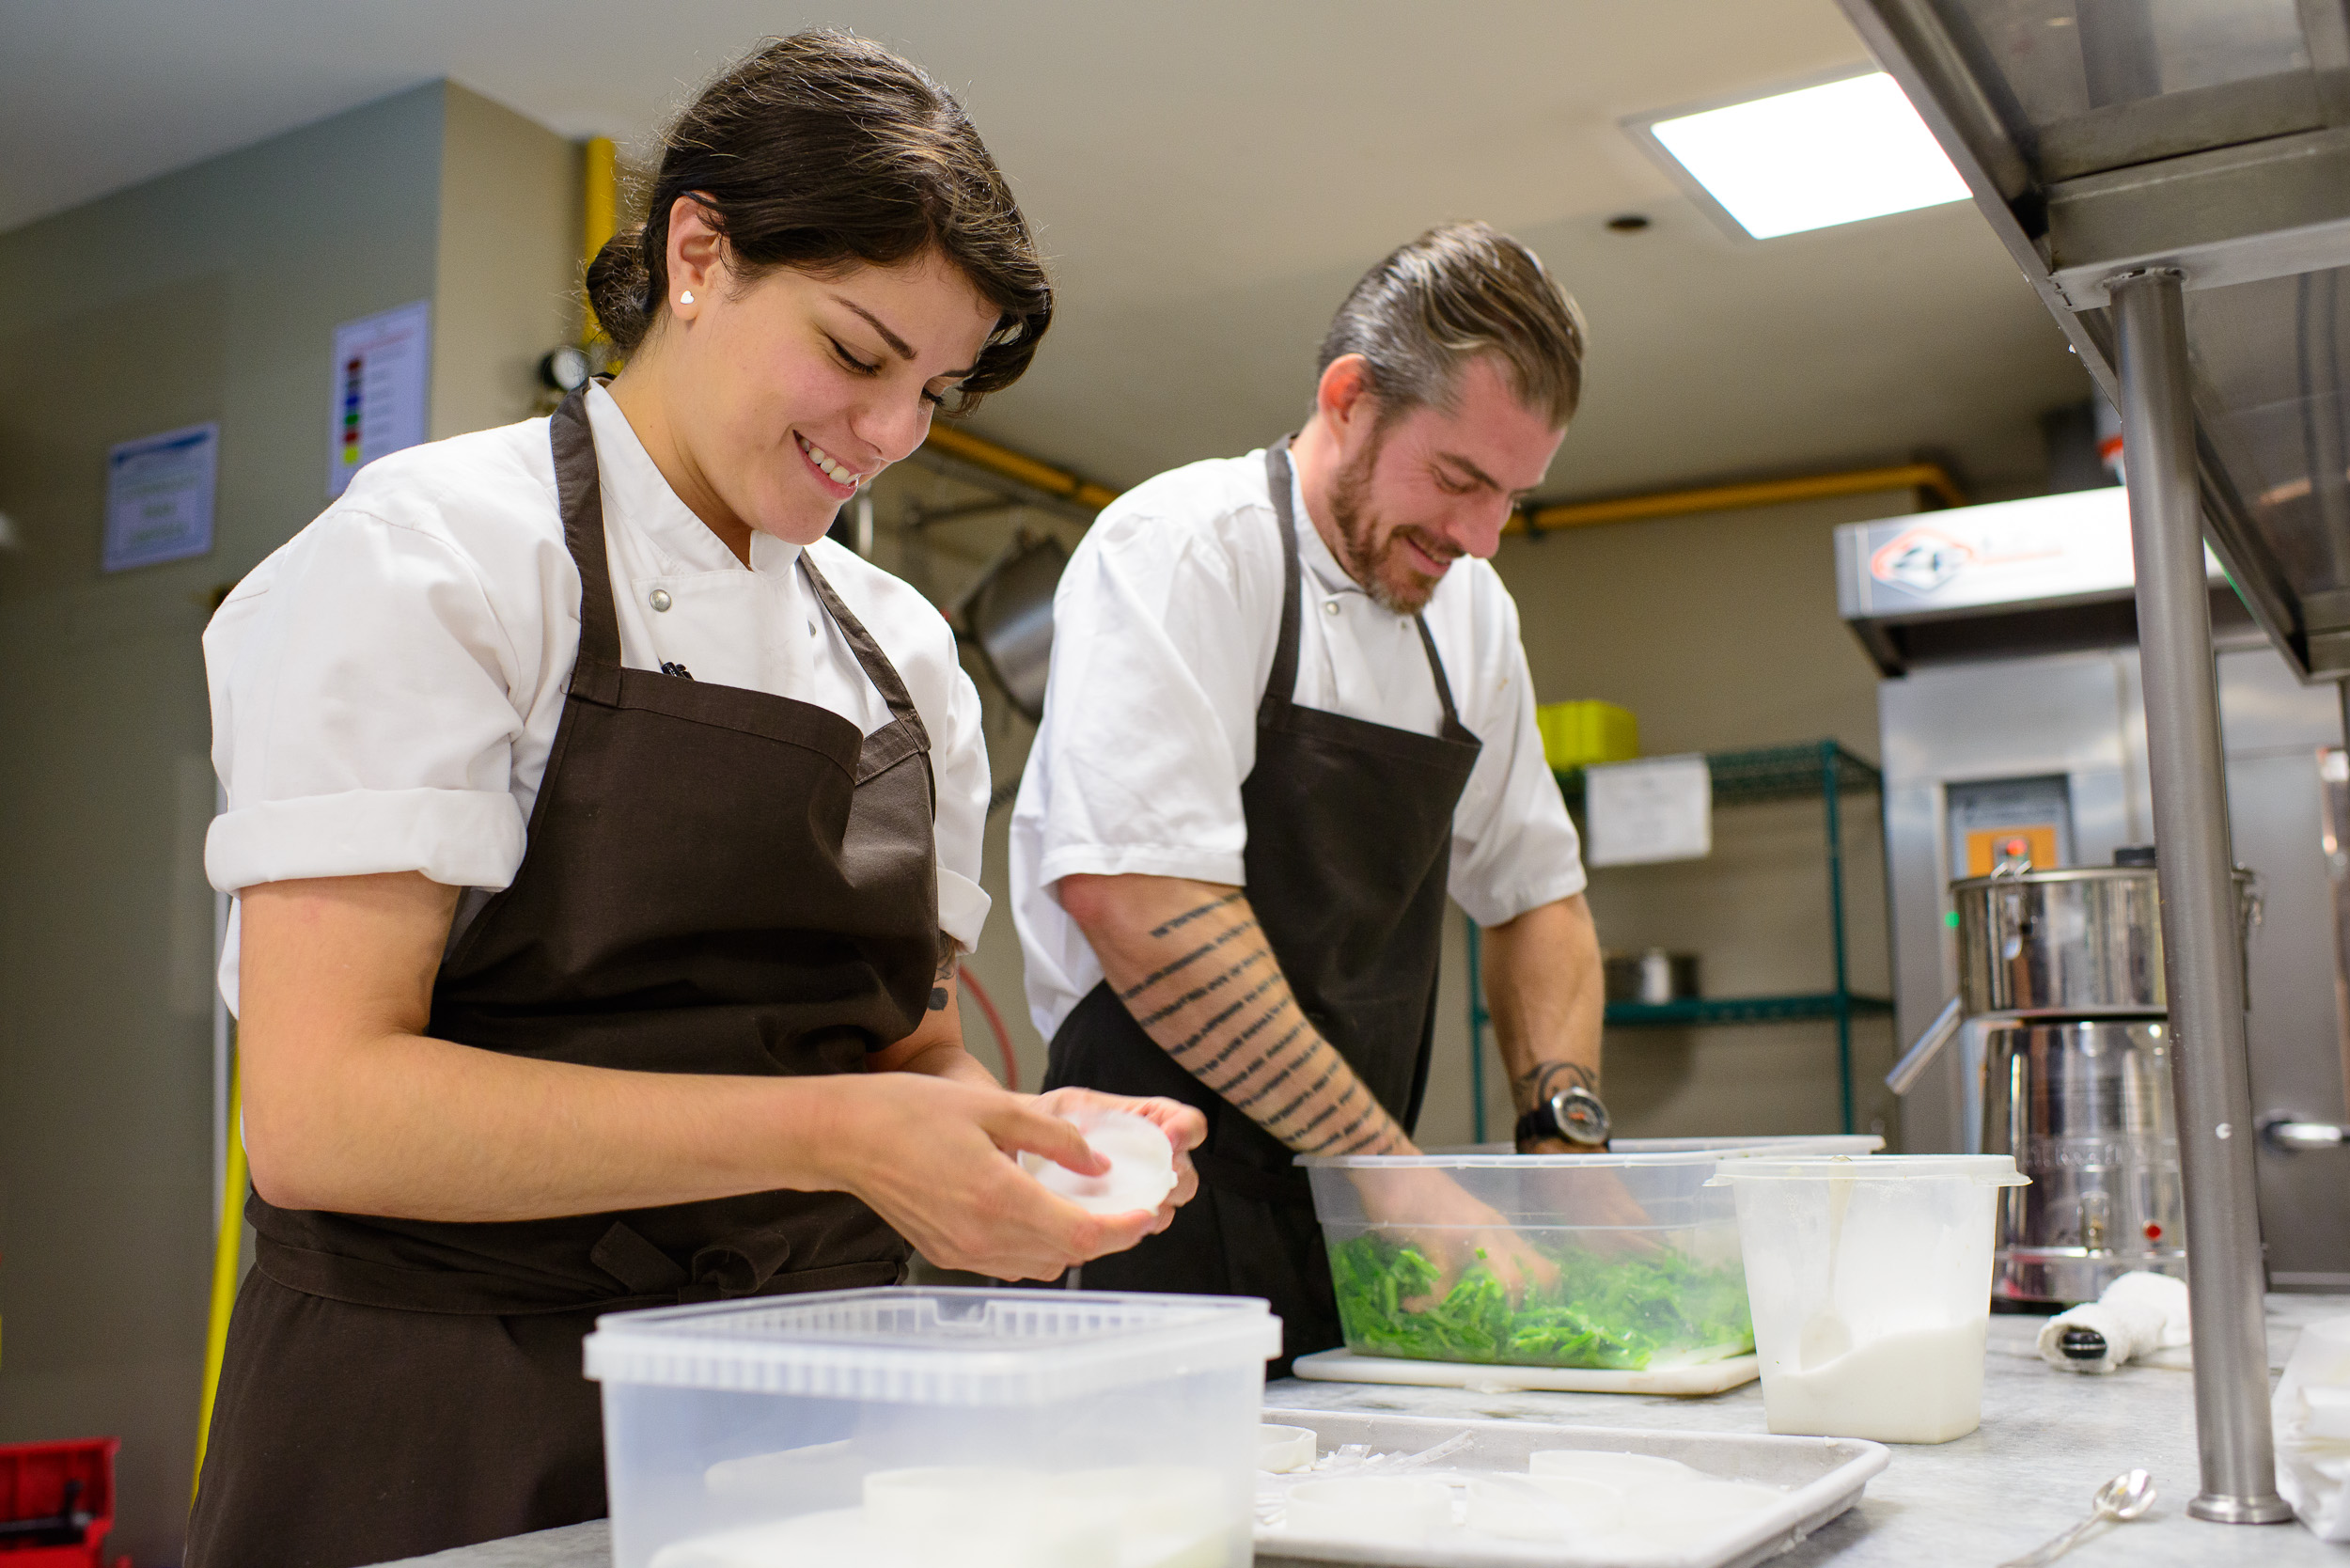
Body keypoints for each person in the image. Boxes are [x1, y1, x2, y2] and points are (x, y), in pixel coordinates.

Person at [188, 34, 1201, 1568]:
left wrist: (1007, 1135)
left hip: (802, 1419)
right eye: (858, 356)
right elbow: (324, 1116)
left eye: (934, 392)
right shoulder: (439, 557)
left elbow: (901, 1040)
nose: (889, 439)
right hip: (450, 1428)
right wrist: (840, 1136)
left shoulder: (908, 654)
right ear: (700, 253)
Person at [1010, 222, 1607, 1373]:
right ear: (1349, 399)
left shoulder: (1472, 616)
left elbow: (1538, 896)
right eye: (1458, 480)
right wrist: (1395, 1178)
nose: (1479, 539)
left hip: (1361, 1223)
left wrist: (1567, 1149)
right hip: (1151, 1206)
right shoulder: (1185, 550)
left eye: (1514, 501)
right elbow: (1144, 909)